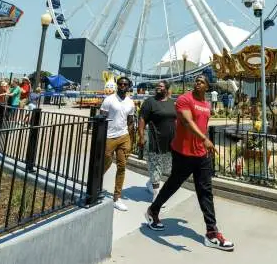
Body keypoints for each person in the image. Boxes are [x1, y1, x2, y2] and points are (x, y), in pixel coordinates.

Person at [145, 75, 234, 252]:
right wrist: (205, 139)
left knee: (205, 191)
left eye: (201, 81)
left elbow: (203, 125)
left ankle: (212, 232)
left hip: (201, 154)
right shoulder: (185, 99)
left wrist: (205, 141)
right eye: (196, 80)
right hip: (183, 153)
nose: (197, 83)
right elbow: (186, 121)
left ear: (207, 86)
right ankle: (153, 211)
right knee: (173, 184)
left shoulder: (207, 105)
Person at [100, 76, 135, 211]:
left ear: (128, 86)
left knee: (122, 166)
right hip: (109, 137)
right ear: (117, 85)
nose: (122, 86)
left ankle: (117, 197)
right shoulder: (109, 100)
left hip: (123, 136)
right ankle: (96, 183)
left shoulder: (130, 103)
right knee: (106, 163)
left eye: (125, 84)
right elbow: (101, 118)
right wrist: (101, 138)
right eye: (120, 84)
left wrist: (130, 140)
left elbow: (130, 122)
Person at [138, 80, 176, 201]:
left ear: (167, 89)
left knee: (167, 167)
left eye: (161, 86)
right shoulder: (150, 102)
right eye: (157, 86)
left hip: (170, 141)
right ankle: (156, 196)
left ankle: (150, 183)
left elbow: (175, 119)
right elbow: (142, 119)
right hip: (154, 139)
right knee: (155, 166)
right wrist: (141, 135)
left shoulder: (171, 102)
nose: (158, 88)